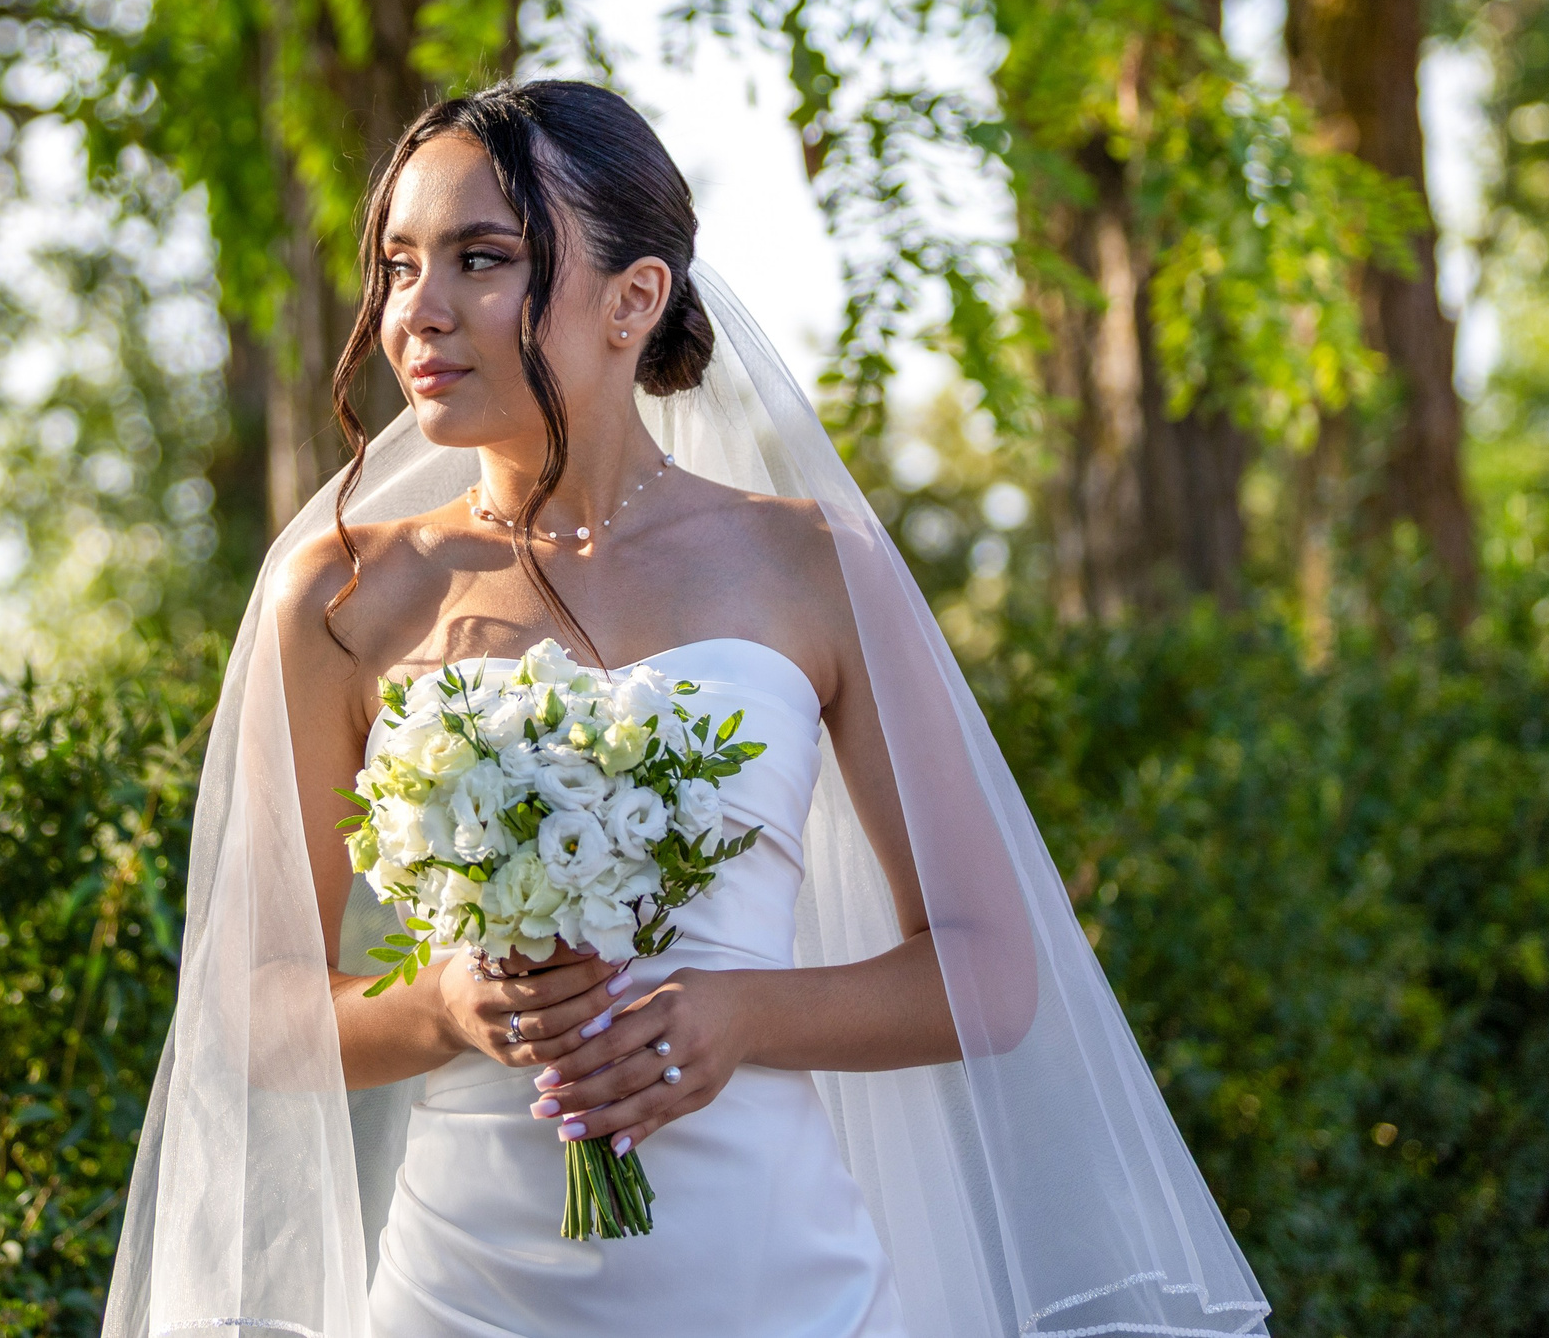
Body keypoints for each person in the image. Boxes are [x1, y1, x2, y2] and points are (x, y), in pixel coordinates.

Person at [102, 81, 1267, 1338]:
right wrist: (438, 1007)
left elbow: (985, 971)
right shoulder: (337, 593)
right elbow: (252, 1008)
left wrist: (738, 1014)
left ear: (634, 298)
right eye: (397, 266)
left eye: (481, 260)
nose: (416, 313)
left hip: (782, 1293)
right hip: (461, 1298)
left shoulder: (814, 565)